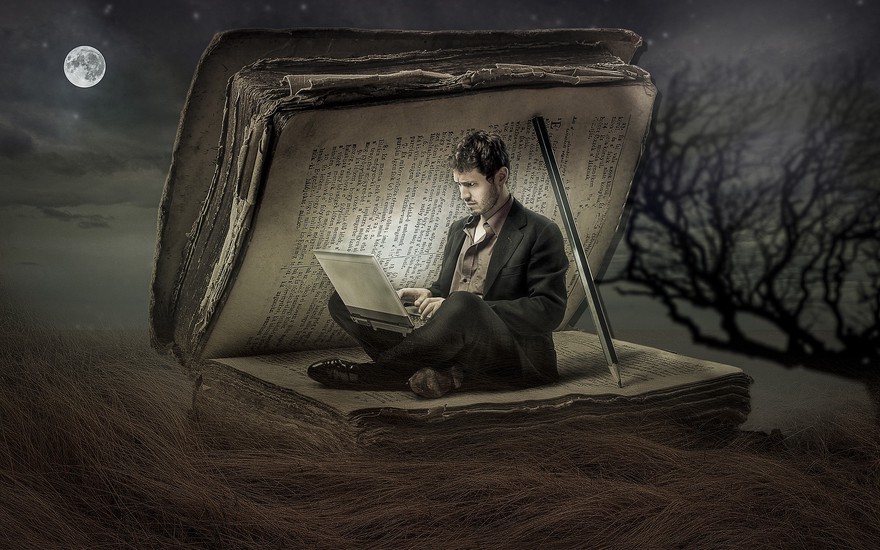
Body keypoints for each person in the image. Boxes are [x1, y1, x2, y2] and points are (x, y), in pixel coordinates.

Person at [308, 130, 569, 398]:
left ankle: (374, 374)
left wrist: (468, 308)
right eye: (459, 184)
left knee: (464, 304)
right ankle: (409, 369)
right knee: (344, 298)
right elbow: (447, 292)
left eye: (471, 184)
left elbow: (549, 310)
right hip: (453, 348)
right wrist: (431, 294)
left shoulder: (540, 231)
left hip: (513, 357)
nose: (463, 195)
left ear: (500, 176)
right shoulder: (459, 229)